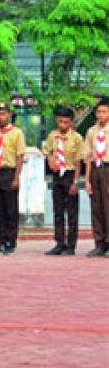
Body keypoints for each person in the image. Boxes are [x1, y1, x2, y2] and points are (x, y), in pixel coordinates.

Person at [0, 103, 26, 255]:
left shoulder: (16, 133)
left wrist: (17, 177)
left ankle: (11, 241)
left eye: (3, 113)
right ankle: (1, 240)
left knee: (10, 209)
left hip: (9, 172)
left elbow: (19, 156)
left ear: (9, 115)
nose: (0, 117)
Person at [41, 107, 83, 256]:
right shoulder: (53, 136)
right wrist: (50, 159)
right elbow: (47, 151)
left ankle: (71, 245)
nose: (62, 125)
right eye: (60, 121)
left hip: (70, 174)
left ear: (71, 122)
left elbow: (79, 161)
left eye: (66, 122)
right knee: (57, 211)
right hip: (57, 175)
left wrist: (75, 182)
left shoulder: (77, 138)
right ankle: (59, 243)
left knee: (72, 212)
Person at [81, 97, 109, 257]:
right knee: (97, 207)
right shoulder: (92, 131)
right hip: (96, 170)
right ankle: (100, 243)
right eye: (98, 112)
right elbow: (88, 157)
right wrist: (87, 180)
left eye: (104, 111)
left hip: (108, 168)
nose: (100, 115)